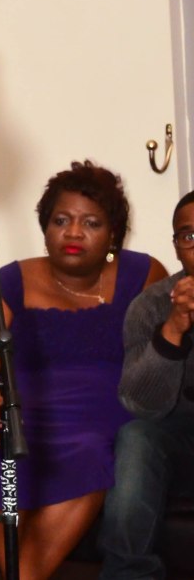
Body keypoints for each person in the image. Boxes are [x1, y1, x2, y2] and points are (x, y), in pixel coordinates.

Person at [0, 160, 168, 580]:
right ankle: (20, 572)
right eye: (61, 220)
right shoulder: (10, 282)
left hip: (99, 419)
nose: (74, 232)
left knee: (93, 449)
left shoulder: (143, 274)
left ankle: (20, 575)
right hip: (20, 413)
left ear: (114, 232)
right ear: (45, 226)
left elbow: (162, 363)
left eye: (91, 223)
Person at [99, 189, 194, 579]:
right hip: (181, 444)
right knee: (137, 437)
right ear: (176, 247)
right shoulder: (152, 305)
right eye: (189, 236)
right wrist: (173, 330)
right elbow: (140, 405)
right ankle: (129, 573)